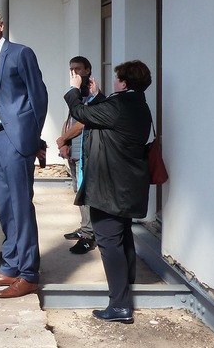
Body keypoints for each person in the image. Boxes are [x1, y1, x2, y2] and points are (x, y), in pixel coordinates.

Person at [65, 60, 153, 325]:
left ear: (124, 82)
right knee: (123, 237)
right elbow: (108, 117)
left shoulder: (120, 105)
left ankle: (119, 305)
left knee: (108, 242)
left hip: (110, 187)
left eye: (117, 78)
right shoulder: (138, 104)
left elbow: (83, 113)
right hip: (126, 185)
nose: (115, 81)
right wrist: (98, 96)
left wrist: (73, 90)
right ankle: (126, 289)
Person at [0, 8, 48, 299]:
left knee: (20, 205)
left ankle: (29, 274)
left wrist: (32, 139)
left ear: (0, 26)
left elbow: (38, 97)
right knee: (4, 205)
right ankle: (11, 265)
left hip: (16, 138)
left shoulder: (21, 53)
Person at [57, 56, 96, 254]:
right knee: (78, 192)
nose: (74, 73)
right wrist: (64, 142)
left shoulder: (90, 92)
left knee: (85, 193)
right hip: (73, 151)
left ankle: (89, 235)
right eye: (71, 69)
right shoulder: (76, 92)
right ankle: (84, 228)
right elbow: (71, 118)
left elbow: (82, 123)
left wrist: (62, 139)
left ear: (88, 70)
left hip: (85, 152)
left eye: (78, 69)